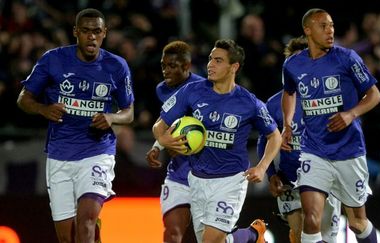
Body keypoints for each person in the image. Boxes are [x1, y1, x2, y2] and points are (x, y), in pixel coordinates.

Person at [16, 8, 134, 243]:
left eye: (97, 32)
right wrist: (43, 109)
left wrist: (111, 118)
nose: (92, 37)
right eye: (86, 31)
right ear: (76, 33)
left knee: (86, 221)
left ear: (104, 34)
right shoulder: (53, 60)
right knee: (66, 237)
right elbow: (23, 99)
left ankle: (92, 229)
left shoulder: (116, 66)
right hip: (60, 154)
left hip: (97, 152)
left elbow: (128, 113)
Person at [152, 39, 282, 243]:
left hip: (230, 182)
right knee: (214, 240)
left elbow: (274, 135)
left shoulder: (249, 102)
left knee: (210, 241)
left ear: (234, 67)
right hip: (196, 179)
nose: (210, 65)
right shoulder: (192, 91)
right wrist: (163, 139)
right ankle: (251, 235)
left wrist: (262, 167)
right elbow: (159, 126)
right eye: (211, 59)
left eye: (218, 60)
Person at [281, 8, 380, 243]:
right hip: (314, 150)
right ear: (308, 30)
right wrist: (287, 124)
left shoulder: (347, 58)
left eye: (332, 26)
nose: (330, 31)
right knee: (311, 219)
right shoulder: (293, 65)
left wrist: (350, 114)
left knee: (357, 223)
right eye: (323, 26)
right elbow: (289, 93)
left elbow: (374, 95)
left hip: (348, 150)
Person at [258, 36, 340, 243]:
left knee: (325, 237)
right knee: (298, 233)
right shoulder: (274, 104)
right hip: (289, 179)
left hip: (324, 178)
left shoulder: (330, 98)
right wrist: (270, 173)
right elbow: (264, 139)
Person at [145, 40, 206, 243]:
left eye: (172, 66)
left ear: (186, 66)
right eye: (163, 65)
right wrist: (158, 145)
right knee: (172, 235)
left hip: (206, 172)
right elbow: (166, 122)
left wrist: (189, 145)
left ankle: (249, 235)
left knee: (212, 238)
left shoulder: (203, 88)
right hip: (179, 172)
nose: (165, 71)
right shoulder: (161, 90)